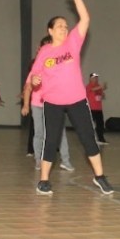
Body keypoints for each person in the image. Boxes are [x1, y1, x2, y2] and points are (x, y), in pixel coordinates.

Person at [28, 0, 113, 195]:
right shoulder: (45, 51)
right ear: (50, 30)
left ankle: (100, 177)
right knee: (51, 139)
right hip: (52, 102)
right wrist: (35, 82)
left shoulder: (72, 43)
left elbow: (85, 19)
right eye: (59, 26)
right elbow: (34, 77)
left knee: (88, 137)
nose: (64, 29)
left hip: (76, 100)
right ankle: (44, 180)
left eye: (66, 26)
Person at [22, 36, 75, 172]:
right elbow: (28, 87)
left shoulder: (58, 65)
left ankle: (66, 161)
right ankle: (39, 161)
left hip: (54, 104)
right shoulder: (37, 66)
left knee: (60, 133)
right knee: (39, 133)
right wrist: (26, 105)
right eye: (45, 47)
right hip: (38, 105)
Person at [87, 72, 108, 144]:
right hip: (91, 109)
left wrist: (102, 94)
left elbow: (103, 96)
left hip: (99, 109)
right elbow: (92, 89)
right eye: (94, 77)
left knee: (100, 124)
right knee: (90, 125)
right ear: (90, 78)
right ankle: (89, 140)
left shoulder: (98, 86)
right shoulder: (89, 86)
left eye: (97, 77)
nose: (96, 79)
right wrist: (101, 87)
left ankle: (101, 139)